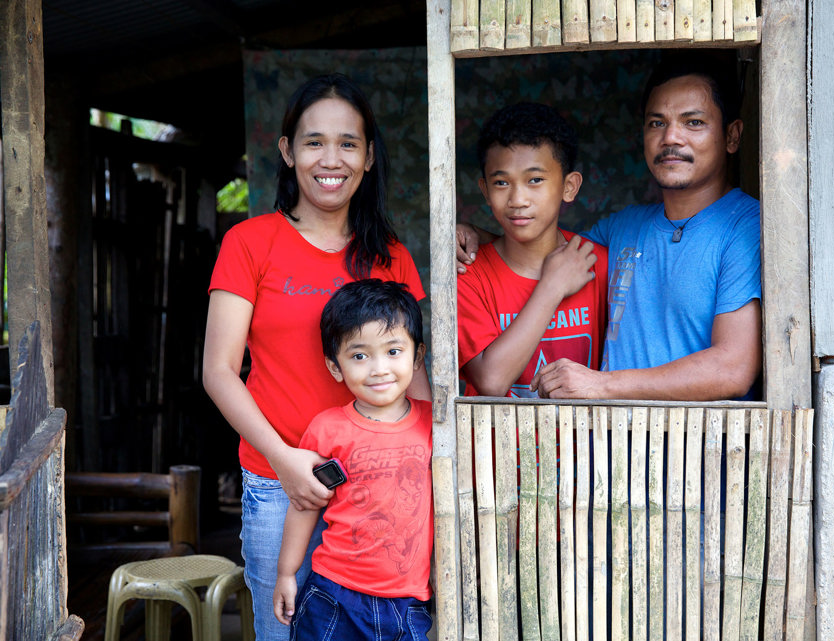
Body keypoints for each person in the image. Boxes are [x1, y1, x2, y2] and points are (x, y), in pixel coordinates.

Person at [202, 73, 430, 640]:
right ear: (287, 152)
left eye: (349, 143)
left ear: (370, 156)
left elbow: (416, 377)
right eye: (313, 141)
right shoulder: (250, 243)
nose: (332, 159)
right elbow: (218, 370)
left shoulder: (391, 255)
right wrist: (283, 459)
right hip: (280, 486)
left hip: (382, 489)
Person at [457, 55, 761, 401]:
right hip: (612, 450)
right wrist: (476, 234)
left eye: (693, 122)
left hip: (699, 447)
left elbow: (733, 368)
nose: (671, 138)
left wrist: (603, 385)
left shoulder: (746, 225)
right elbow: (540, 239)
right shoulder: (624, 228)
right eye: (656, 123)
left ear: (732, 136)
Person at [272, 279, 433, 639]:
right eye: (360, 355)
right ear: (335, 367)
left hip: (408, 601)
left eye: (393, 351)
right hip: (335, 595)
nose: (378, 368)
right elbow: (305, 505)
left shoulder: (436, 425)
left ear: (417, 356)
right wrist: (286, 572)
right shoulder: (327, 430)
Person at [458, 102, 607, 397]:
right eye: (501, 182)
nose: (518, 199)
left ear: (569, 186)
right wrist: (552, 287)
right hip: (495, 444)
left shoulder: (598, 264)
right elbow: (491, 382)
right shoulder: (468, 271)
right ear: (485, 190)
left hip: (583, 443)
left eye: (535, 180)